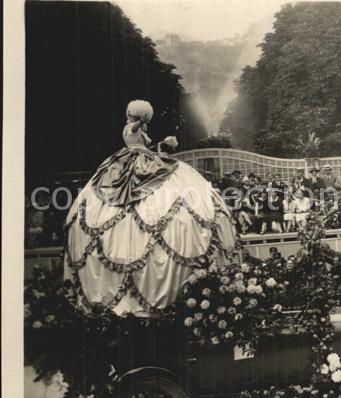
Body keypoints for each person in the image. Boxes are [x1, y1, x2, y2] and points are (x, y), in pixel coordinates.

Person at [63, 100, 238, 316]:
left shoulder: (139, 129)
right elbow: (134, 137)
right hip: (130, 163)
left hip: (147, 160)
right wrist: (141, 122)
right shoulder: (131, 127)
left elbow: (148, 147)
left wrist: (163, 144)